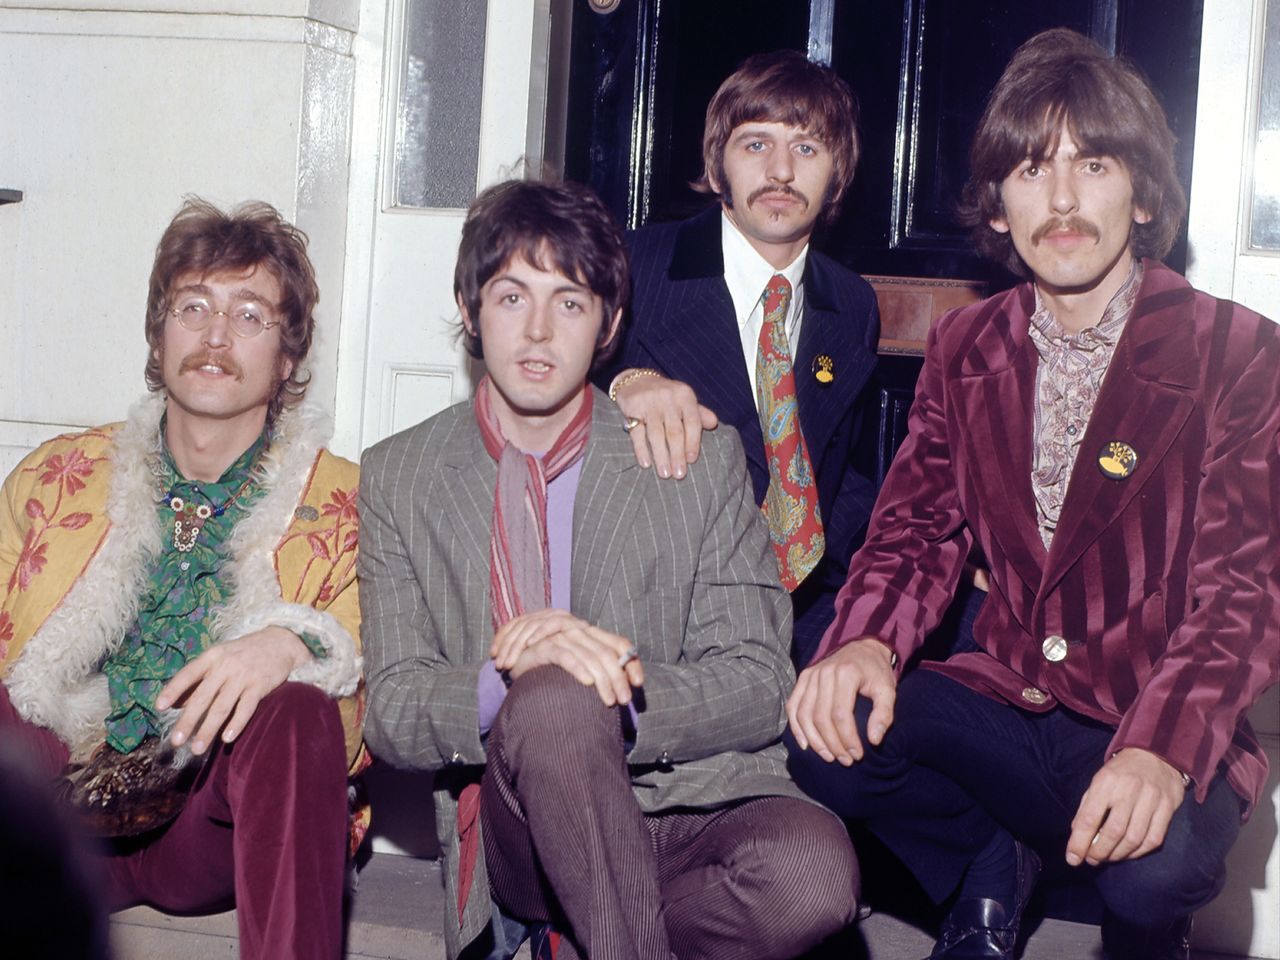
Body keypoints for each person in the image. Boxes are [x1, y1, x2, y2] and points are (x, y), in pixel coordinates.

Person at [785, 27, 1279, 960]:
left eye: (1092, 165)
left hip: (1149, 703)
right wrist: (863, 645)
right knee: (826, 728)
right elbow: (915, 531)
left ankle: (1143, 930)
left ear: (1142, 195)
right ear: (998, 210)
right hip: (1009, 697)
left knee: (1152, 870)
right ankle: (989, 860)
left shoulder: (1238, 352)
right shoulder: (968, 345)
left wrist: (1160, 750)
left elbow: (1245, 594)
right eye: (1028, 170)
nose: (1061, 200)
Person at [359, 178, 857, 960]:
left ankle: (594, 934)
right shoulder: (400, 475)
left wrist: (610, 681)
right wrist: (511, 678)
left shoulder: (697, 457)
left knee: (812, 877)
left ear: (609, 325)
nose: (536, 332)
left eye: (569, 302)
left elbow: (762, 681)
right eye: (511, 296)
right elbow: (390, 709)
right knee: (551, 697)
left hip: (684, 797)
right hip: (517, 824)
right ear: (469, 307)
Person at [0, 198, 364, 960]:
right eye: (192, 307)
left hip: (209, 829)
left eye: (250, 315)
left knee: (298, 712)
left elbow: (369, 717)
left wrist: (291, 645)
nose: (216, 337)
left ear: (288, 355)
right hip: (57, 811)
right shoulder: (53, 479)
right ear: (159, 336)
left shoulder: (344, 509)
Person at [598, 50, 881, 666]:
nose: (781, 171)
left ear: (838, 172)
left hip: (809, 605)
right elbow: (549, 397)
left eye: (807, 149)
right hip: (668, 613)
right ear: (718, 164)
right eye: (756, 145)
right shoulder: (634, 266)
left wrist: (921, 564)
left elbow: (837, 475)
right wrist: (626, 381)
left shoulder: (852, 304)